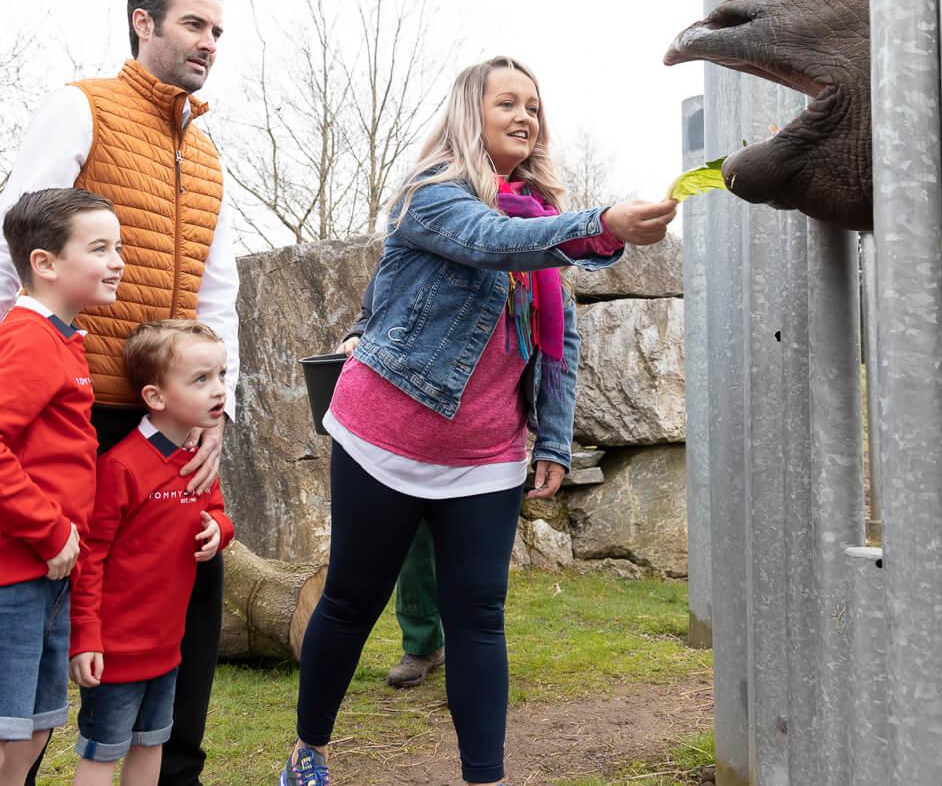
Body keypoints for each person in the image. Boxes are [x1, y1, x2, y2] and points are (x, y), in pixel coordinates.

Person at [279, 56, 677, 786]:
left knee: (479, 617)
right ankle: (309, 749)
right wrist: (602, 223)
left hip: (487, 452)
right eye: (507, 103)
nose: (525, 117)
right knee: (353, 600)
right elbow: (491, 243)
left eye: (534, 106)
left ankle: (484, 778)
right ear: (472, 113)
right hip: (385, 438)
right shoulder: (431, 195)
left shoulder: (536, 215)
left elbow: (559, 340)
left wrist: (551, 436)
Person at [0, 0, 240, 786]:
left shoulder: (208, 153)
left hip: (169, 413)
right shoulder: (82, 107)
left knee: (187, 596)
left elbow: (218, 290)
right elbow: (13, 226)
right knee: (53, 608)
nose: (208, 42)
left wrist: (217, 409)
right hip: (81, 406)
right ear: (144, 22)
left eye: (217, 31)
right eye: (193, 24)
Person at [0, 188, 124, 786]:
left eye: (117, 248)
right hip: (6, 572)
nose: (117, 262)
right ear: (45, 263)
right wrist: (49, 529)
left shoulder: (63, 341)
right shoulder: (31, 339)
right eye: (100, 248)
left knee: (28, 740)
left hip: (46, 572)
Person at [69, 320, 235, 786]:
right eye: (201, 379)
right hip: (115, 652)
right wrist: (86, 637)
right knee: (102, 754)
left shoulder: (196, 460)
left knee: (152, 744)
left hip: (168, 647)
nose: (219, 389)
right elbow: (89, 557)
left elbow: (218, 510)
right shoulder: (121, 468)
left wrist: (218, 530)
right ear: (155, 397)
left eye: (221, 375)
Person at [338, 284, 443, 690]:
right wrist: (357, 335)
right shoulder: (403, 256)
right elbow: (373, 311)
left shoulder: (514, 258)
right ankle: (423, 643)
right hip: (405, 416)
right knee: (413, 538)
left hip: (480, 425)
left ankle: (473, 647)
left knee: (469, 549)